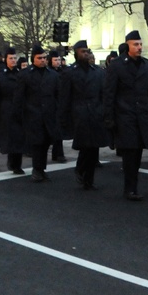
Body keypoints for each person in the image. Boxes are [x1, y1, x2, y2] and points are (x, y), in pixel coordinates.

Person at [104, 31, 148, 201]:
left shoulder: (146, 66)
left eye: (140, 44)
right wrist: (110, 118)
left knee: (138, 153)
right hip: (124, 117)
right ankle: (129, 188)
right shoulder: (117, 66)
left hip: (142, 117)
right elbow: (110, 94)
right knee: (129, 154)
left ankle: (133, 186)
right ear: (128, 45)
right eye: (136, 44)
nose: (139, 47)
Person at [59, 40, 109, 190]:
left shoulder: (98, 72)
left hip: (95, 114)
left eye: (87, 51)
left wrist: (103, 111)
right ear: (76, 53)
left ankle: (89, 179)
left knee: (94, 148)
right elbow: (65, 97)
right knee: (85, 146)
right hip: (79, 114)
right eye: (83, 51)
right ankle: (81, 170)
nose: (86, 54)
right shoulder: (70, 72)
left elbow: (103, 94)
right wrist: (64, 118)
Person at [14, 44, 62, 182]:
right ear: (33, 59)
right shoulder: (25, 75)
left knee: (46, 142)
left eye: (44, 58)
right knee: (37, 144)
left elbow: (58, 95)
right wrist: (20, 115)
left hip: (49, 114)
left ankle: (41, 169)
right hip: (32, 114)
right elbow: (19, 97)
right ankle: (36, 169)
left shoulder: (53, 75)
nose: (42, 60)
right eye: (39, 58)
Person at [0, 47, 26, 175]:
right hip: (6, 109)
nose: (13, 60)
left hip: (20, 110)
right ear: (5, 60)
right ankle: (12, 162)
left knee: (19, 138)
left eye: (14, 58)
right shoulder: (0, 77)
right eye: (10, 58)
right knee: (10, 138)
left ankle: (17, 164)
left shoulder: (21, 75)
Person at [49, 50, 69, 163]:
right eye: (55, 60)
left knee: (58, 130)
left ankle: (58, 153)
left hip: (59, 103)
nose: (58, 62)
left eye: (59, 60)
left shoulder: (63, 72)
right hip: (51, 103)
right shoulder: (50, 73)